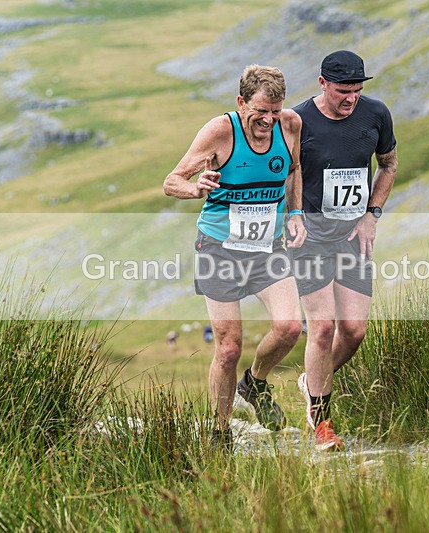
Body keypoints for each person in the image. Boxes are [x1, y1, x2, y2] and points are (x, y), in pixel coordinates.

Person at [163, 65, 307, 448]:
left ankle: (255, 384)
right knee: (228, 348)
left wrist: (294, 213)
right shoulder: (220, 132)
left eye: (275, 112)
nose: (268, 120)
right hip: (220, 249)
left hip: (267, 248)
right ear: (241, 103)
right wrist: (196, 189)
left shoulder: (290, 125)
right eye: (261, 111)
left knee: (291, 327)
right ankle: (220, 432)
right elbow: (171, 181)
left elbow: (294, 170)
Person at [290, 50, 398, 451]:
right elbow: (288, 172)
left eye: (356, 90)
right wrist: (293, 215)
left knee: (354, 331)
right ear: (322, 84)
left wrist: (372, 213)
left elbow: (388, 165)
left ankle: (311, 381)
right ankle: (321, 424)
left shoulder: (376, 114)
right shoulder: (299, 120)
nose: (350, 98)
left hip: (353, 236)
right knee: (321, 327)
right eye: (341, 91)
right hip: (312, 237)